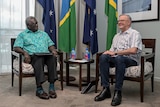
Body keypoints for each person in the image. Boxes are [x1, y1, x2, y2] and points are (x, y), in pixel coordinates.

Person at [94, 14, 142, 106]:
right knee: (103, 57)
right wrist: (108, 52)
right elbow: (112, 51)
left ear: (129, 22)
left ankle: (118, 91)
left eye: (122, 20)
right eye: (119, 21)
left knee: (120, 58)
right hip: (117, 59)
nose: (119, 22)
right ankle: (106, 89)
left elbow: (133, 50)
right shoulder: (116, 36)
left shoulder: (135, 34)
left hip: (131, 60)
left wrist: (116, 53)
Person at [13, 16, 58, 100]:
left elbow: (50, 44)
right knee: (39, 59)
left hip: (46, 55)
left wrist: (53, 50)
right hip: (33, 56)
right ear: (28, 26)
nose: (37, 25)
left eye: (37, 23)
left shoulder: (44, 34)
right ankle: (39, 89)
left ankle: (51, 87)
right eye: (34, 24)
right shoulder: (23, 35)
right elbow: (16, 47)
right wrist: (25, 53)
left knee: (52, 58)